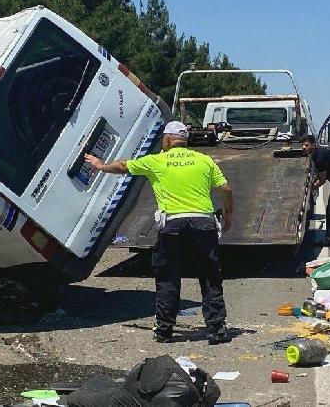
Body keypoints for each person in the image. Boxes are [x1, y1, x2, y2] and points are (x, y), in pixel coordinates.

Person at [84, 121, 234, 345]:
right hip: (204, 223)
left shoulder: (157, 161)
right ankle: (216, 329)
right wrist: (228, 217)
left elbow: (124, 166)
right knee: (210, 275)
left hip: (173, 224)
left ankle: (164, 330)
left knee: (168, 277)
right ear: (184, 140)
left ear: (167, 139)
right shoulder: (205, 160)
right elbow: (226, 189)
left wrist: (101, 165)